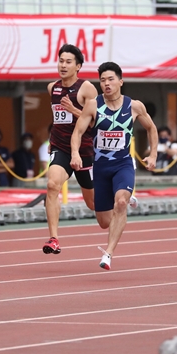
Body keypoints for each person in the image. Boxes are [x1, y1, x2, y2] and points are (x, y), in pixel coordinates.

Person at [71, 61, 157, 270]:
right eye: (102, 80)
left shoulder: (134, 106)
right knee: (103, 222)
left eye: (111, 79)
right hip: (100, 168)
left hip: (123, 164)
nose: (106, 84)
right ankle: (127, 196)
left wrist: (153, 154)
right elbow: (78, 132)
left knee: (120, 203)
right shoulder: (93, 105)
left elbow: (151, 128)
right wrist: (75, 153)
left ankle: (108, 253)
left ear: (120, 81)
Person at [42, 44, 98, 255]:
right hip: (61, 148)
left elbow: (95, 123)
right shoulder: (52, 88)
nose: (63, 65)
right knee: (52, 185)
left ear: (78, 66)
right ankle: (54, 238)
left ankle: (119, 195)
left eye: (68, 62)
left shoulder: (87, 88)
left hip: (85, 152)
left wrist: (74, 109)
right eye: (61, 61)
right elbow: (58, 119)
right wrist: (52, 139)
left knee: (93, 205)